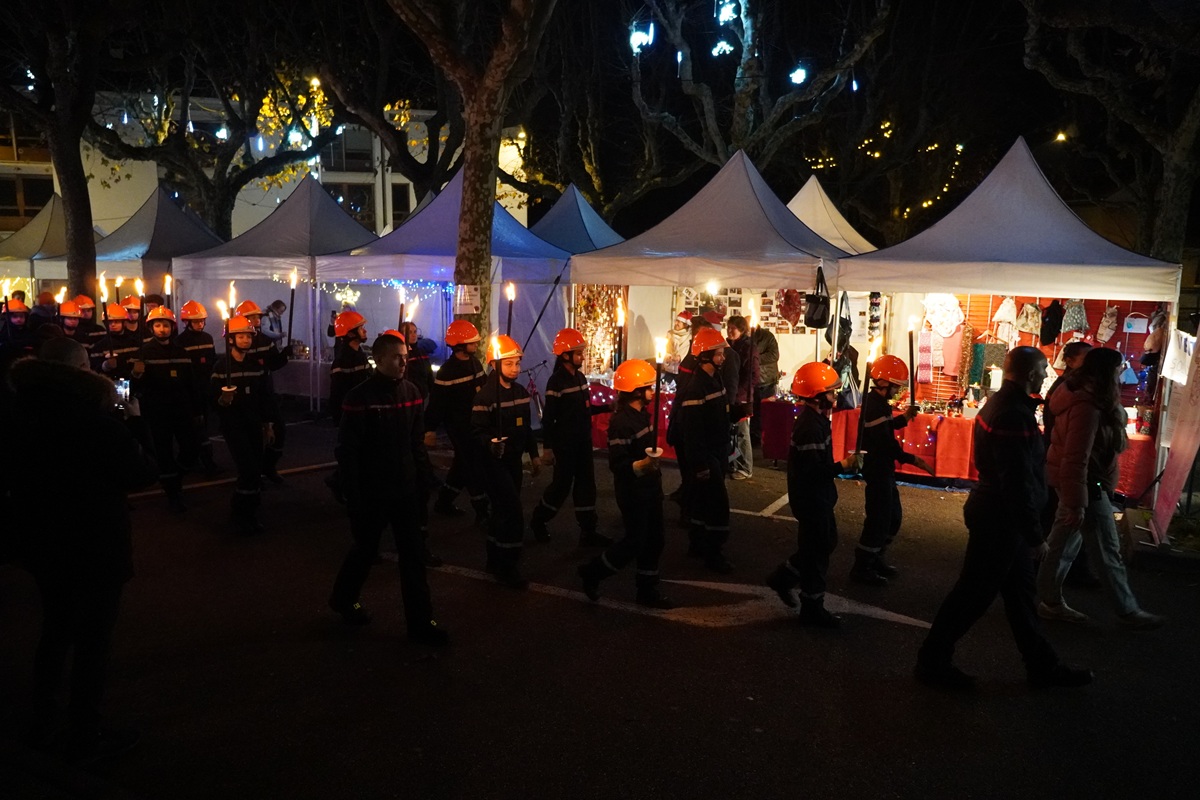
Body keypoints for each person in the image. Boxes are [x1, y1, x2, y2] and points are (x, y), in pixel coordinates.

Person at [9, 337, 156, 762]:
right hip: (94, 543)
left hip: (41, 540)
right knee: (93, 640)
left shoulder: (17, 413)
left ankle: (43, 720)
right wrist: (134, 421)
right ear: (80, 371)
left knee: (55, 629)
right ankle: (84, 731)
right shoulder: (94, 421)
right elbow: (141, 472)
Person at [915, 346, 1093, 690]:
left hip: (999, 516)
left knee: (1020, 597)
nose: (1047, 374)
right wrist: (1034, 535)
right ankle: (932, 661)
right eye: (1043, 369)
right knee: (973, 595)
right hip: (1000, 520)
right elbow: (1016, 481)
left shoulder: (1003, 405)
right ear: (1031, 374)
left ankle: (1042, 665)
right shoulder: (1013, 414)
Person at [328, 333, 448, 644]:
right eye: (397, 357)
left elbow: (415, 443)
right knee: (366, 549)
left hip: (404, 489)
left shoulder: (411, 392)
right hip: (373, 490)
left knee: (413, 556)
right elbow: (348, 450)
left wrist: (424, 481)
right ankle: (344, 598)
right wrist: (353, 495)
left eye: (405, 356)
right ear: (379, 359)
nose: (404, 362)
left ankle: (421, 624)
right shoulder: (359, 398)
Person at [1036, 346, 1166, 629]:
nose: (1122, 372)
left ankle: (1048, 600)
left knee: (1062, 545)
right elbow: (1076, 457)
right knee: (1106, 549)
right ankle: (1127, 610)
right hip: (1087, 486)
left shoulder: (1083, 396)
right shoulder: (1087, 406)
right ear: (1109, 371)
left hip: (1082, 484)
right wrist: (1076, 503)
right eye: (1119, 368)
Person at [766, 362, 859, 628]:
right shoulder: (810, 426)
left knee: (823, 543)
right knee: (817, 552)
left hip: (818, 496)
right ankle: (812, 607)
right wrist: (843, 466)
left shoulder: (816, 420)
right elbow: (813, 471)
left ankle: (783, 578)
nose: (834, 395)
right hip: (811, 499)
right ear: (817, 395)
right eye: (830, 392)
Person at [577, 359, 672, 608]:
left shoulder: (641, 415)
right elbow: (618, 464)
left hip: (650, 488)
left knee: (655, 539)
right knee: (635, 541)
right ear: (636, 391)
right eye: (648, 387)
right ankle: (593, 572)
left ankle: (647, 589)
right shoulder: (621, 423)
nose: (653, 391)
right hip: (634, 492)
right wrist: (641, 465)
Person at [851, 355, 932, 585]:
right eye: (895, 386)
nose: (897, 391)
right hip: (876, 468)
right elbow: (886, 442)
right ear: (883, 382)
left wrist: (904, 418)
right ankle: (862, 567)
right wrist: (912, 459)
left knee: (892, 517)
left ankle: (876, 556)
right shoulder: (874, 405)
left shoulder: (880, 403)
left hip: (884, 468)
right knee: (879, 520)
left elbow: (887, 426)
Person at [471, 334, 543, 589]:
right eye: (509, 363)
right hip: (493, 464)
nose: (515, 368)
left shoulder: (521, 393)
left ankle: (494, 558)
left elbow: (526, 430)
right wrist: (491, 443)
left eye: (518, 363)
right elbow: (477, 432)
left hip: (514, 463)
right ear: (494, 364)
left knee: (501, 512)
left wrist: (534, 455)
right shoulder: (485, 397)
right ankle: (508, 566)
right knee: (512, 512)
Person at [531, 327, 612, 546]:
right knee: (561, 486)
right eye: (578, 353)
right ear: (565, 355)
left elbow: (585, 409)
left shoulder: (580, 378)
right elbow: (549, 418)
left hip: (583, 442)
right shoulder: (556, 382)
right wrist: (548, 448)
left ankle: (588, 530)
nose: (583, 357)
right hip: (565, 444)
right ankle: (539, 520)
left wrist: (607, 407)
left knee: (586, 485)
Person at [674, 327, 735, 573]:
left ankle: (697, 543)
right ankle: (713, 553)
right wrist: (700, 464)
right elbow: (693, 432)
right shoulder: (696, 388)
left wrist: (737, 412)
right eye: (718, 353)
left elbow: (718, 413)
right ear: (705, 355)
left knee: (701, 503)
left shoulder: (714, 379)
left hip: (718, 450)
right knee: (717, 506)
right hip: (707, 455)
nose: (723, 357)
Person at [1041, 340, 1101, 589]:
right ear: (1069, 360)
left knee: (1062, 523)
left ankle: (1054, 576)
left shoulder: (1070, 389)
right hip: (1063, 464)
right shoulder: (1072, 392)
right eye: (1085, 359)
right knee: (1066, 523)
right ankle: (1053, 582)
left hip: (1059, 462)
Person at [211, 315, 274, 535]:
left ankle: (250, 511)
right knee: (248, 469)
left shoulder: (255, 365)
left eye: (248, 336)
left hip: (254, 424)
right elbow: (212, 400)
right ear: (230, 339)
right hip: (234, 426)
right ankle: (240, 513)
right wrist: (223, 400)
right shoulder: (221, 367)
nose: (246, 340)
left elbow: (264, 397)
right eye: (241, 336)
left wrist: (268, 424)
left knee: (255, 469)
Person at [132, 306, 199, 512]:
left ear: (173, 327)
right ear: (151, 328)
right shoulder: (143, 353)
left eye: (166, 325)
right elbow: (131, 387)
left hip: (181, 410)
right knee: (164, 452)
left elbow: (191, 383)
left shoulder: (182, 352)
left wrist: (197, 410)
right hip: (157, 412)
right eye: (158, 325)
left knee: (191, 449)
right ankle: (173, 492)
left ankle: (175, 477)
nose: (162, 329)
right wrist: (136, 375)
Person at [427, 320, 490, 521]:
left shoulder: (475, 363)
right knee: (472, 465)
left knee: (462, 464)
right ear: (460, 345)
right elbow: (437, 404)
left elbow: (484, 389)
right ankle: (482, 510)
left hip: (475, 423)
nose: (476, 344)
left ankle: (443, 502)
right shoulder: (447, 371)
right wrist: (429, 429)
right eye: (472, 342)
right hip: (458, 427)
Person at [235, 299, 291, 483]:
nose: (256, 320)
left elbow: (273, 364)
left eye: (257, 317)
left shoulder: (265, 340)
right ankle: (253, 473)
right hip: (248, 395)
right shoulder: (238, 342)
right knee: (253, 437)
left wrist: (284, 356)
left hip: (266, 391)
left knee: (279, 430)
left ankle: (269, 466)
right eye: (251, 318)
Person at [177, 301, 220, 473]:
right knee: (194, 425)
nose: (200, 324)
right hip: (189, 390)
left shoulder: (208, 338)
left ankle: (193, 459)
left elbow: (212, 360)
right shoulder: (180, 341)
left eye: (202, 321)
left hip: (205, 388)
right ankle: (197, 460)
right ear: (187, 322)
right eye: (196, 321)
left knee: (204, 423)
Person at [725, 315, 759, 480]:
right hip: (730, 393)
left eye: (733, 328)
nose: (730, 331)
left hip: (741, 396)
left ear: (742, 330)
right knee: (732, 431)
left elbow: (753, 375)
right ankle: (733, 463)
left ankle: (745, 466)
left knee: (741, 432)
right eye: (728, 327)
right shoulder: (729, 345)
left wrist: (739, 392)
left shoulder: (748, 347)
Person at [328, 310, 370, 424]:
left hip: (362, 413)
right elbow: (337, 394)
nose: (365, 331)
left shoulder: (360, 354)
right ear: (351, 334)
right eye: (361, 328)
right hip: (351, 417)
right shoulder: (342, 361)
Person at [90, 303, 140, 378]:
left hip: (132, 381)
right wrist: (105, 365)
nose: (113, 325)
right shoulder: (100, 346)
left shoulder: (134, 342)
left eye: (116, 321)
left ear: (124, 322)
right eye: (109, 322)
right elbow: (93, 369)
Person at [750, 323, 780, 446]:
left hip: (766, 380)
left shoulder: (767, 336)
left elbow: (774, 355)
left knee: (766, 412)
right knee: (754, 412)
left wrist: (755, 358)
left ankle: (767, 438)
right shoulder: (745, 337)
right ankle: (755, 438)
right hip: (752, 381)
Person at [1, 297, 38, 377]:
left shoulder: (29, 332)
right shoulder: (3, 333)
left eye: (21, 316)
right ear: (8, 317)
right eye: (15, 316)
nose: (19, 319)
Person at [400, 320, 434, 400]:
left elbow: (429, 373)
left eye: (415, 332)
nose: (413, 335)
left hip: (422, 395)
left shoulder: (421, 352)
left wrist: (432, 390)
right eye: (409, 332)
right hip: (408, 396)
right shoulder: (402, 354)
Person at [664, 310, 692, 375]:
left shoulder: (689, 337)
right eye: (676, 321)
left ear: (685, 324)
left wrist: (679, 357)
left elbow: (685, 354)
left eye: (679, 322)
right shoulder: (670, 334)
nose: (676, 323)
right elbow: (665, 349)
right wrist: (668, 357)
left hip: (681, 371)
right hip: (669, 369)